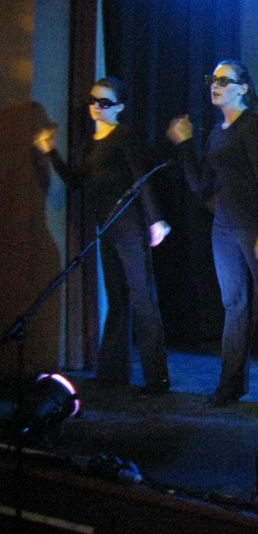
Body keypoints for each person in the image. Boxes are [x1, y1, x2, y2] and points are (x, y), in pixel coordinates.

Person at [167, 60, 258, 417]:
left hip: (256, 228)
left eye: (224, 80)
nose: (215, 85)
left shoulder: (253, 126)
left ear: (242, 88)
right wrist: (184, 144)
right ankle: (230, 385)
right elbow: (201, 185)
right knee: (234, 305)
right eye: (212, 79)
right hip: (224, 229)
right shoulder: (217, 132)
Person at [33, 77, 171, 395]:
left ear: (119, 107)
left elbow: (140, 178)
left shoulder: (124, 137)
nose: (96, 106)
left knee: (142, 299)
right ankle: (111, 373)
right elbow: (75, 181)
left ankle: (157, 378)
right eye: (93, 101)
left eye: (105, 102)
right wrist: (50, 152)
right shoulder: (89, 144)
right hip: (107, 229)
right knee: (117, 298)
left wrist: (156, 220)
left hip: (130, 228)